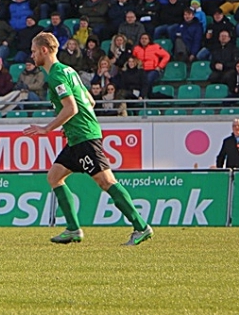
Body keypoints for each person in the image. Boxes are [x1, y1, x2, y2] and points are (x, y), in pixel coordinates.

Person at [22, 33, 153, 246]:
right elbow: (89, 101)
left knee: (106, 181)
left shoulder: (56, 75)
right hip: (77, 136)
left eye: (34, 50)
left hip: (84, 136)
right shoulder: (68, 71)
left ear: (44, 50)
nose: (32, 54)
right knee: (54, 176)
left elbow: (71, 107)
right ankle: (73, 229)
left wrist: (47, 129)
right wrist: (70, 125)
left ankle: (141, 227)